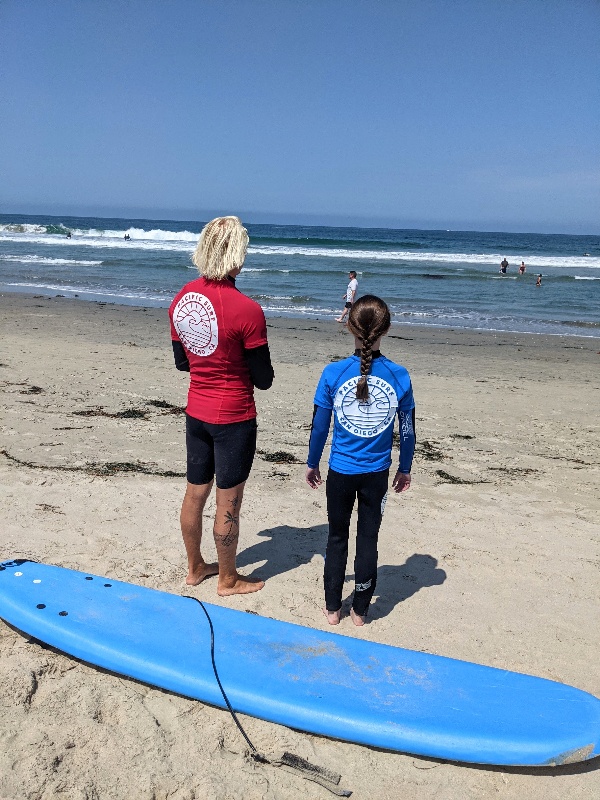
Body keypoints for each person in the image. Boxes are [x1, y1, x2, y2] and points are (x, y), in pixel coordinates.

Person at [169, 216, 274, 596]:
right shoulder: (247, 310)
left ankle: (195, 567)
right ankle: (228, 579)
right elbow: (263, 379)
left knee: (195, 492)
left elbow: (183, 362)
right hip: (233, 417)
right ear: (236, 256)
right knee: (229, 502)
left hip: (195, 411)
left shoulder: (182, 299)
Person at [305, 295, 416, 626]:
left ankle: (331, 608)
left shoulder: (333, 373)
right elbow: (408, 432)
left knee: (336, 537)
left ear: (350, 327)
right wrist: (405, 467)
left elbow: (319, 427)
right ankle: (360, 610)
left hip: (340, 471)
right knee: (368, 538)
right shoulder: (400, 376)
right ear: (387, 329)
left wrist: (312, 462)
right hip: (376, 475)